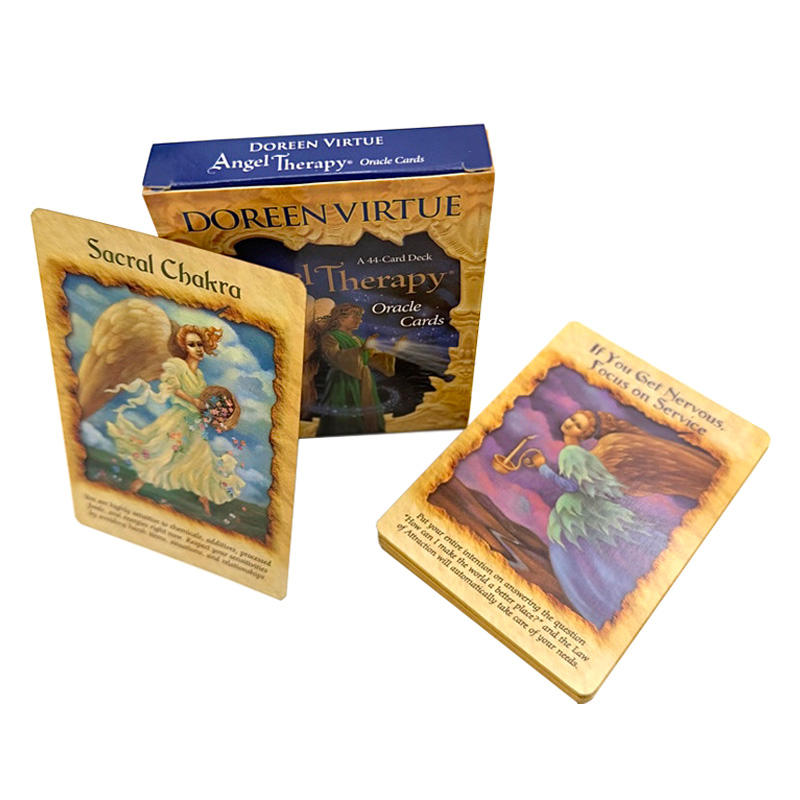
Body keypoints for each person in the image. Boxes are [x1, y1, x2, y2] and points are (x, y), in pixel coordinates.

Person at [106, 324, 244, 515]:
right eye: (192, 344)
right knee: (163, 452)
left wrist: (212, 409)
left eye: (200, 344)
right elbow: (173, 387)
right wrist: (193, 401)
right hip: (178, 419)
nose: (197, 348)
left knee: (201, 459)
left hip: (195, 422)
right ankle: (134, 488)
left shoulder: (199, 375)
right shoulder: (178, 366)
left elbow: (202, 398)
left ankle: (203, 500)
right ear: (185, 348)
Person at [559, 410, 719, 499]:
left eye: (578, 426)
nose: (570, 424)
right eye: (572, 419)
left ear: (585, 434)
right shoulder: (580, 454)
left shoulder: (608, 450)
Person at [315, 304, 395, 436]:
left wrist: (391, 352)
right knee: (346, 414)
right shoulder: (330, 337)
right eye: (355, 317)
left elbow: (367, 359)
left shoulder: (358, 339)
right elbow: (334, 357)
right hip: (343, 381)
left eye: (360, 317)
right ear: (341, 319)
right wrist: (361, 349)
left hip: (363, 379)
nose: (359, 320)